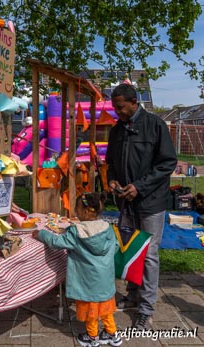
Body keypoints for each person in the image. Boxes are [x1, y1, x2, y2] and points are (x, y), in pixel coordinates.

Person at [105, 83, 177, 330]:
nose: (117, 112)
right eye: (115, 107)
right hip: (126, 200)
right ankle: (133, 295)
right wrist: (112, 180)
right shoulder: (117, 130)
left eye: (120, 107)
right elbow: (110, 163)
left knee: (149, 256)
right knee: (129, 250)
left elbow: (167, 163)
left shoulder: (155, 125)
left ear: (134, 102)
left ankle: (147, 309)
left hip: (151, 201)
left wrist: (140, 186)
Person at [32, 192, 122, 347]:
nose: (75, 211)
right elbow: (115, 247)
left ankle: (92, 337)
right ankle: (112, 333)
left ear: (86, 212)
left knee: (91, 311)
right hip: (105, 279)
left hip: (87, 281)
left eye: (77, 208)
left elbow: (56, 242)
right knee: (106, 308)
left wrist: (41, 234)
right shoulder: (108, 229)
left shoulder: (76, 232)